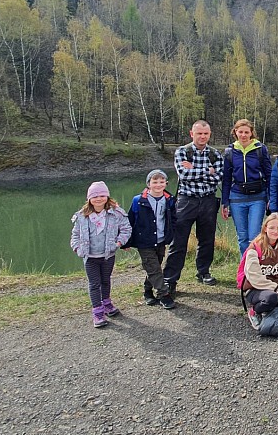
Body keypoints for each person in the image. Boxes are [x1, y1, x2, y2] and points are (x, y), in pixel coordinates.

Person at [163, 120, 223, 294]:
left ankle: (203, 272)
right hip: (186, 201)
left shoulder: (215, 154)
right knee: (178, 241)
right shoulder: (182, 151)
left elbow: (217, 178)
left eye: (206, 133)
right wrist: (207, 171)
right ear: (192, 134)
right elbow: (184, 175)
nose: (202, 136)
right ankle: (170, 280)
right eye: (199, 133)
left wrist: (195, 169)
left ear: (209, 134)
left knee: (207, 240)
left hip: (208, 201)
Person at [70, 181, 132, 328]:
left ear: (107, 196)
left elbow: (126, 229)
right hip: (90, 257)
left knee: (106, 280)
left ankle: (107, 303)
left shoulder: (116, 213)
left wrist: (118, 243)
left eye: (102, 195)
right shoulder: (82, 216)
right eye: (95, 196)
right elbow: (75, 235)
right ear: (89, 199)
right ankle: (97, 312)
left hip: (108, 255)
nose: (99, 199)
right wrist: (77, 248)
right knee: (94, 284)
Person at [125, 169, 177, 309]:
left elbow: (173, 218)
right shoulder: (139, 200)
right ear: (149, 184)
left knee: (155, 267)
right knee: (153, 268)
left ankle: (148, 291)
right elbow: (130, 221)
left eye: (161, 181)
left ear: (166, 183)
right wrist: (126, 241)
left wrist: (170, 234)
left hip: (161, 239)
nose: (158, 185)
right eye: (155, 182)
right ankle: (164, 295)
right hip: (144, 241)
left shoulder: (169, 200)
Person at [222, 118, 272, 256]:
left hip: (258, 197)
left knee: (254, 236)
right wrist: (225, 202)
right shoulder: (230, 152)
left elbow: (269, 175)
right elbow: (226, 179)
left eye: (246, 132)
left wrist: (270, 197)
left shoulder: (260, 149)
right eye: (240, 132)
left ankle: (255, 266)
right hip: (237, 197)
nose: (243, 135)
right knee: (242, 237)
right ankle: (245, 269)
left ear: (251, 133)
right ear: (235, 132)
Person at [241, 213, 278, 330]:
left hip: (276, 287)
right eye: (271, 228)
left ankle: (270, 310)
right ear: (265, 228)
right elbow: (254, 277)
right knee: (271, 299)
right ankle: (254, 311)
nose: (275, 231)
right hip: (255, 288)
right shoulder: (255, 248)